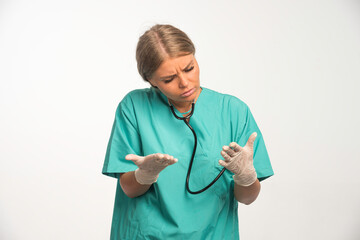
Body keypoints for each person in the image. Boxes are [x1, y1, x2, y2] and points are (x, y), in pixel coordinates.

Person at [102, 24, 274, 240]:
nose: (185, 83)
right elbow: (129, 189)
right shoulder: (134, 107)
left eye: (189, 68)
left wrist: (246, 176)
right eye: (168, 79)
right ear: (151, 81)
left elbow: (247, 198)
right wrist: (144, 175)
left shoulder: (233, 111)